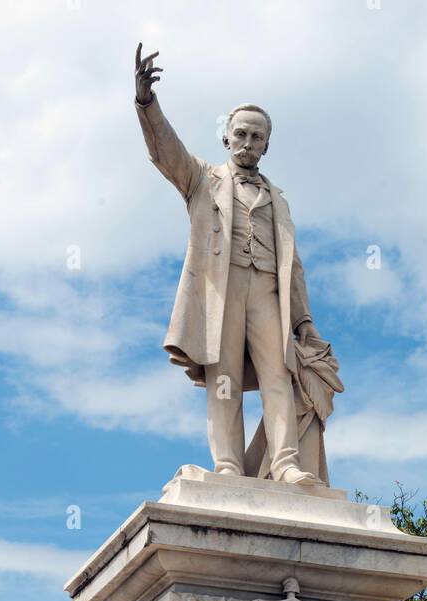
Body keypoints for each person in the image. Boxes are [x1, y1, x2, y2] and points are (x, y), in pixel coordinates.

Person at [134, 44, 340, 487]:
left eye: (257, 137)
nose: (248, 143)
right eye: (241, 134)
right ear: (226, 138)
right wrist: (147, 104)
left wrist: (303, 321)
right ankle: (227, 463)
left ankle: (285, 463)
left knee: (279, 375)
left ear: (267, 144)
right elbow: (165, 152)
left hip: (267, 292)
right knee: (223, 378)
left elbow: (294, 266)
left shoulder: (278, 199)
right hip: (221, 290)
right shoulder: (202, 179)